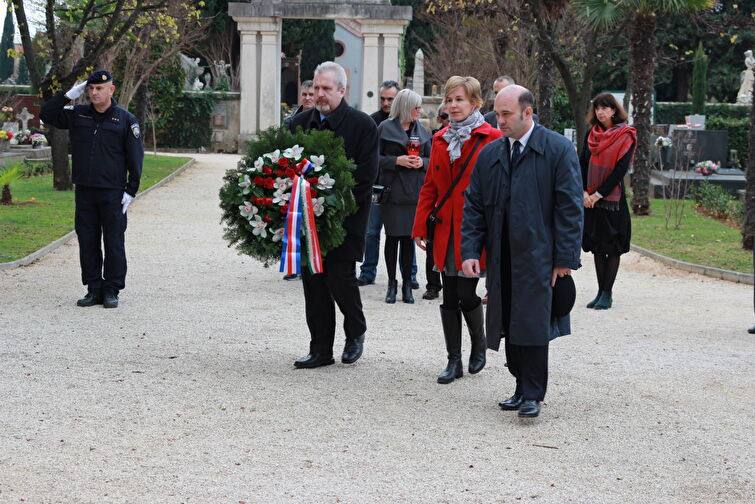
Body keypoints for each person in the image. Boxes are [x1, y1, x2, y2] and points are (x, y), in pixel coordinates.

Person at [460, 85, 583, 418]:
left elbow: (570, 208)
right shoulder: (491, 153)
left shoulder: (557, 149)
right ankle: (519, 386)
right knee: (507, 323)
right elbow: (473, 206)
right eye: (497, 114)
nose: (499, 121)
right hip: (501, 258)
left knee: (532, 324)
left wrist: (564, 260)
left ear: (527, 113)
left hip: (539, 258)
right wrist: (470, 250)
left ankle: (532, 393)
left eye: (506, 114)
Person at [288, 61, 378, 369]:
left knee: (340, 279)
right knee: (313, 283)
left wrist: (332, 205)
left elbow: (365, 178)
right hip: (306, 221)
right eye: (316, 88)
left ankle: (355, 331)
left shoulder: (362, 125)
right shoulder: (298, 124)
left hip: (346, 218)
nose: (320, 94)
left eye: (327, 89)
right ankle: (320, 349)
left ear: (342, 90)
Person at [413, 76, 501, 384]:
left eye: (459, 99)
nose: (453, 105)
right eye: (449, 100)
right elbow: (430, 188)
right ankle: (454, 360)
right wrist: (420, 227)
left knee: (467, 291)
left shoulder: (491, 138)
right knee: (449, 294)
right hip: (444, 228)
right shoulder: (439, 139)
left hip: (474, 229)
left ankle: (479, 344)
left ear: (475, 103)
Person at [40, 70, 143, 309]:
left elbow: (135, 158)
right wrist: (68, 95)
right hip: (85, 191)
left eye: (99, 88)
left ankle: (111, 290)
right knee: (87, 241)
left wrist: (131, 190)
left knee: (114, 242)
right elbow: (47, 114)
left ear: (111, 90)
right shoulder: (78, 114)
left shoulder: (125, 120)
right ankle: (93, 288)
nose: (94, 93)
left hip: (113, 192)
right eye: (91, 89)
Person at [580, 93, 636, 310]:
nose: (600, 112)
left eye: (605, 108)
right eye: (597, 108)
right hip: (591, 199)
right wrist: (585, 191)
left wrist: (597, 194)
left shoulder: (625, 135)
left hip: (611, 201)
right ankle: (599, 291)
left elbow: (619, 171)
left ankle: (607, 293)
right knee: (597, 246)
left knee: (611, 247)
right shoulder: (591, 134)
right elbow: (582, 162)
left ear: (614, 110)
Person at [360, 81, 418, 289]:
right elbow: (370, 157)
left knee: (407, 233)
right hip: (378, 187)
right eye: (382, 98)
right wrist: (395, 161)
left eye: (390, 99)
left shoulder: (416, 125)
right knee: (372, 231)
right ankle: (368, 272)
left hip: (405, 189)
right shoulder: (373, 122)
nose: (386, 103)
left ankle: (410, 275)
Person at [377, 89, 431, 304]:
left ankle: (408, 284)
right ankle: (392, 283)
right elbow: (374, 158)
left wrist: (422, 163)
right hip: (392, 191)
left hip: (413, 192)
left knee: (409, 240)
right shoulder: (384, 128)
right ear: (406, 107)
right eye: (416, 107)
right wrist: (395, 160)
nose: (419, 110)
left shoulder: (422, 130)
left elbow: (431, 159)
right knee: (391, 239)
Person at [282, 80, 316, 281]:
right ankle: (292, 265)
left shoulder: (320, 119)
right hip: (294, 176)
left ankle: (309, 263)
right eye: (305, 94)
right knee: (293, 220)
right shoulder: (289, 121)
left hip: (315, 176)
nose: (308, 98)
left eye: (311, 94)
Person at [421, 104, 450, 301]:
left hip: (454, 205)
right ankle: (433, 285)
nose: (447, 118)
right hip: (437, 206)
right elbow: (429, 182)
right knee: (431, 248)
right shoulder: (436, 139)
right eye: (444, 116)